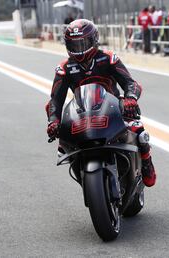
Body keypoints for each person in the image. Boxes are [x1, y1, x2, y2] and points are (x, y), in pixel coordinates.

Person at [45, 19, 156, 187]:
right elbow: (55, 100)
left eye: (83, 43)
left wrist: (130, 99)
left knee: (137, 128)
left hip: (113, 109)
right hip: (82, 112)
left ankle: (147, 162)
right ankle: (84, 174)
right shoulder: (64, 68)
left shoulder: (109, 58)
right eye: (74, 45)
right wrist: (53, 121)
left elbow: (130, 83)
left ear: (94, 40)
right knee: (63, 143)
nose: (79, 49)